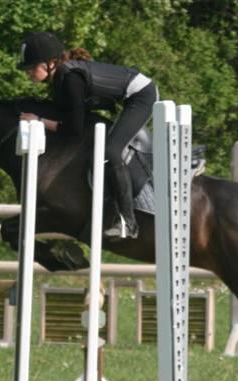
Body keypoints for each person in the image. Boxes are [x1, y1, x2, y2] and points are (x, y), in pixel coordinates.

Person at [17, 31, 158, 240]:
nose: (28, 72)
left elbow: (73, 129)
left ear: (50, 63)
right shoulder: (61, 78)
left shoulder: (70, 79)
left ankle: (128, 222)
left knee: (110, 151)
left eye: (31, 67)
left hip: (141, 96)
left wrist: (39, 121)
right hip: (127, 97)